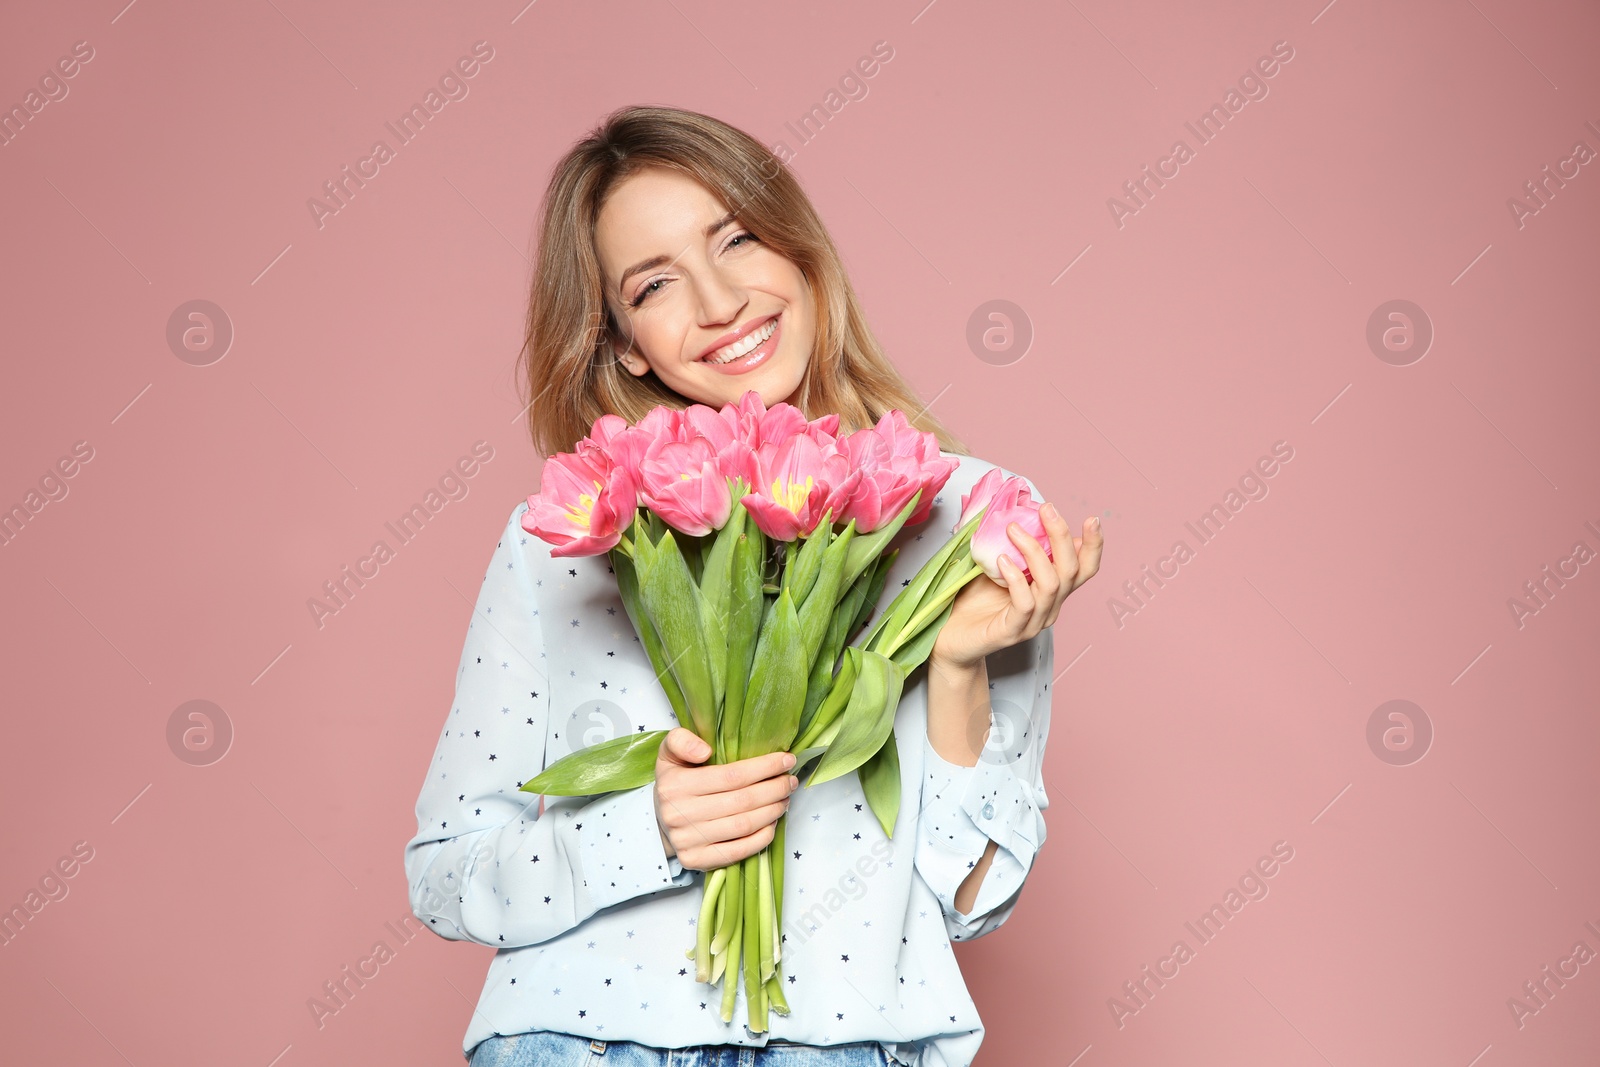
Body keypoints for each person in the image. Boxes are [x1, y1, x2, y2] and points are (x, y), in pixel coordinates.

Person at [403, 105, 1103, 1067]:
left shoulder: (966, 519)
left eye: (737, 238)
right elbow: (447, 870)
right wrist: (646, 829)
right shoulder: (568, 534)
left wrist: (955, 668)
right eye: (655, 283)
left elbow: (974, 897)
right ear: (625, 344)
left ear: (802, 252)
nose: (721, 299)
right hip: (578, 1044)